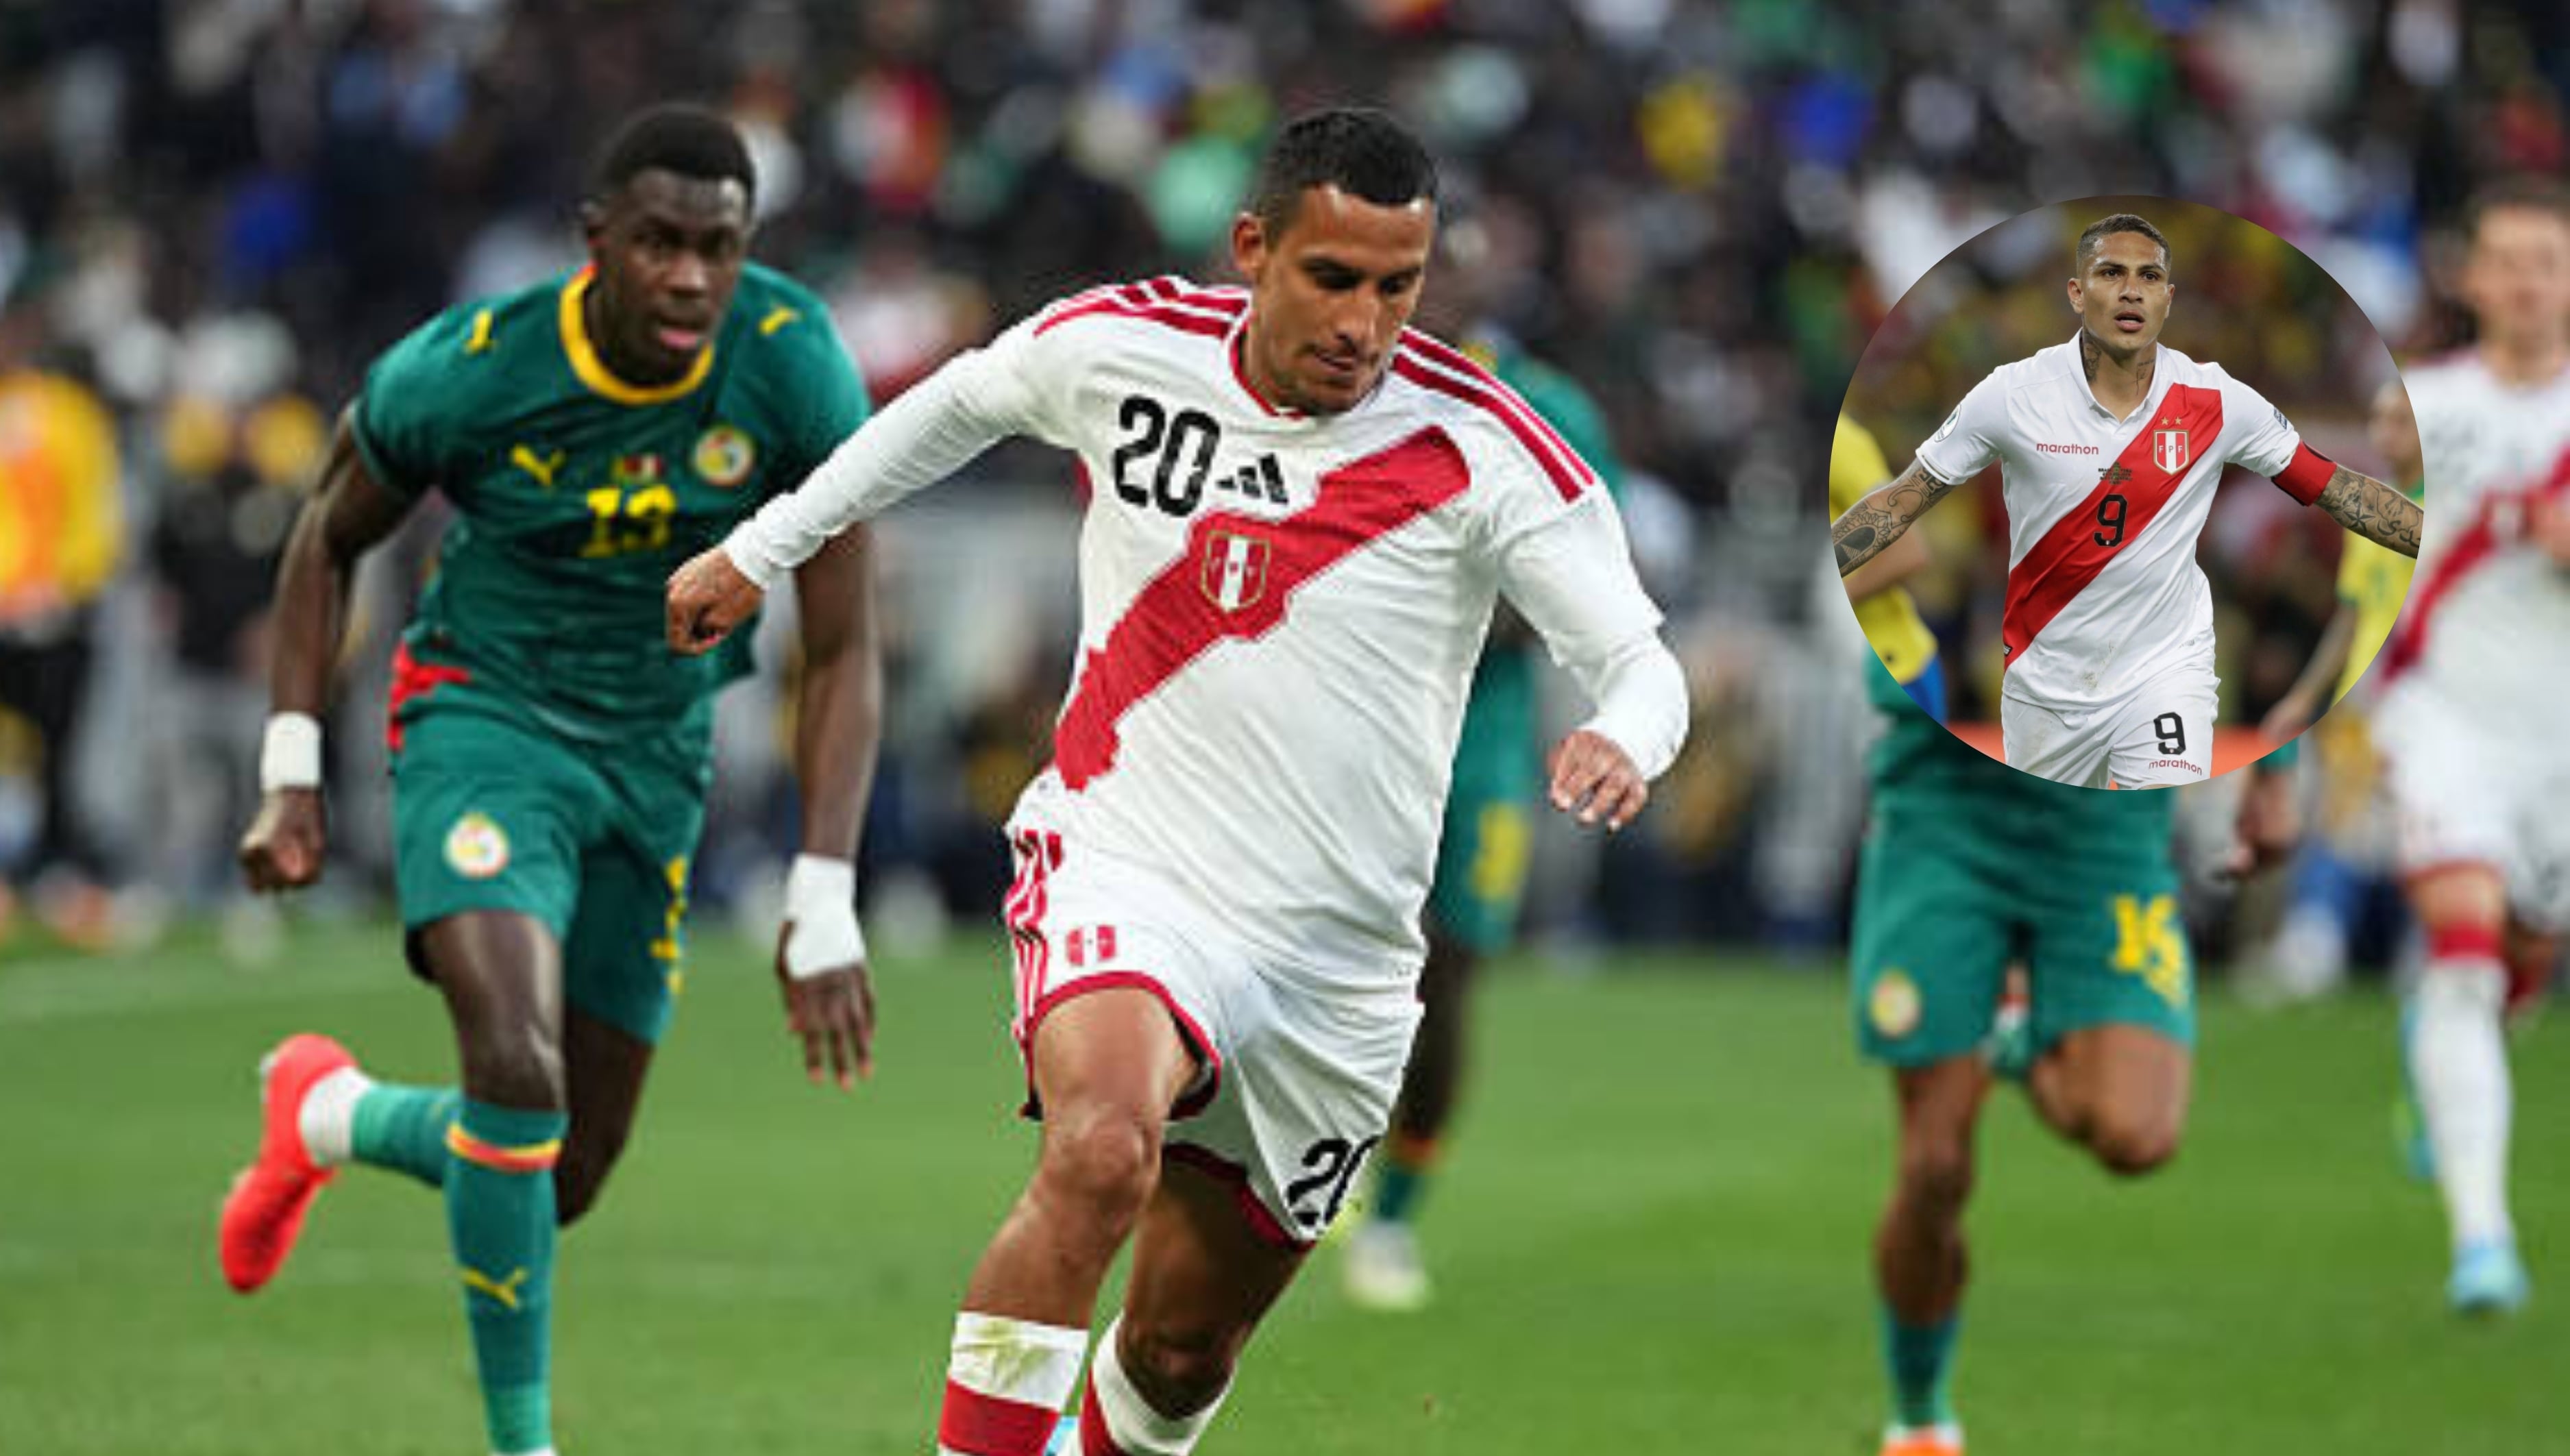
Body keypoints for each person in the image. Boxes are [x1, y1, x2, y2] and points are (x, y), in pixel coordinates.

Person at [666, 107, 1689, 1456]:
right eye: (1333, 279)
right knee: (1098, 1152)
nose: (1364, 325)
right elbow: (957, 404)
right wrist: (763, 547)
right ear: (1253, 248)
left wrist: (1629, 730)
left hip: (1339, 966)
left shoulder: (1483, 447)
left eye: (1399, 287)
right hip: (1132, 864)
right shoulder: (1122, 344)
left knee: (1178, 1350)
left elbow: (1637, 653)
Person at [217, 104, 884, 1456]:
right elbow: (321, 542)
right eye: (661, 245)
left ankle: (330, 1112)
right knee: (514, 1064)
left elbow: (851, 638)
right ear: (597, 243)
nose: (693, 277)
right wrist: (291, 768)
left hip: (660, 752)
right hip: (486, 721)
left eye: (720, 246)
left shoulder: (792, 360)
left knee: (561, 1173)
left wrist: (826, 888)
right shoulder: (471, 368)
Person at [1846, 639, 2303, 1456]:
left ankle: (2011, 1034)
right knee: (1935, 1166)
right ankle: (1920, 1419)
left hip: (2106, 817)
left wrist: (2276, 764)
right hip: (1951, 804)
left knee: (2139, 1136)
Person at [1831, 212, 2423, 787]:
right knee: (2063, 858)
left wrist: (2439, 535)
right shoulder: (2011, 397)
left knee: (2141, 830)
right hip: (2047, 679)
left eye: (2149, 277)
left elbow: (2338, 488)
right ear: (2076, 293)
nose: (2131, 292)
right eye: (2111, 273)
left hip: (2165, 672)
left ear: (2169, 297)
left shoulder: (2217, 401)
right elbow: (1904, 500)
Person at [1338, 210, 1634, 1313]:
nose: (1432, 301)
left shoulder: (1548, 413)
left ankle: (1396, 1218)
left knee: (1448, 968)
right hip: (1346, 722)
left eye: (1446, 280)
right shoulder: (1346, 392)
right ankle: (1298, 1163)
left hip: (1480, 738)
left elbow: (1583, 587)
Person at [2369, 180, 2570, 1315]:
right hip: (2447, 717)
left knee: (2520, 958)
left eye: (2549, 261)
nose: (2530, 282)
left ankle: (2443, 1053)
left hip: (2562, 735)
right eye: (2510, 261)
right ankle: (2483, 1243)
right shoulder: (2421, 405)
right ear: (2477, 281)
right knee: (2465, 939)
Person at [1832, 415, 1947, 723]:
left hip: (1896, 673)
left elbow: (1907, 550)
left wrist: (1833, 600)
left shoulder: (1842, 441)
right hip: (1845, 670)